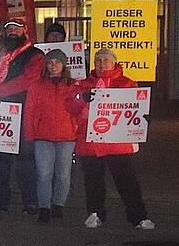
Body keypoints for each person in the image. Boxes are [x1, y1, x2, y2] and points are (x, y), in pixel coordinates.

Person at [66, 49, 154, 230]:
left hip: (117, 142)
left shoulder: (127, 83)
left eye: (106, 60)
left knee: (127, 181)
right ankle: (95, 213)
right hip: (91, 141)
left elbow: (137, 107)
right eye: (98, 60)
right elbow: (70, 105)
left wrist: (143, 118)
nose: (101, 63)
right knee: (93, 181)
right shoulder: (82, 85)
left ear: (114, 62)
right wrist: (82, 100)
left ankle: (138, 216)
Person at [0, 18, 44, 214]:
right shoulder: (0, 54)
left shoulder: (35, 55)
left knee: (25, 159)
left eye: (16, 29)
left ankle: (30, 201)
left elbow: (28, 80)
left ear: (24, 31)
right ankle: (0, 199)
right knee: (0, 159)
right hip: (1, 114)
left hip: (25, 113)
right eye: (9, 30)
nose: (12, 33)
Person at [24, 49, 78, 223]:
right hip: (43, 136)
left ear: (64, 65)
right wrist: (29, 134)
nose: (53, 66)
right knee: (44, 173)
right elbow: (30, 111)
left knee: (63, 174)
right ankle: (44, 207)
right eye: (50, 63)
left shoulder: (74, 86)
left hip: (67, 136)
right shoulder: (37, 86)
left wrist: (77, 130)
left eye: (57, 62)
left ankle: (58, 205)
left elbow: (80, 110)